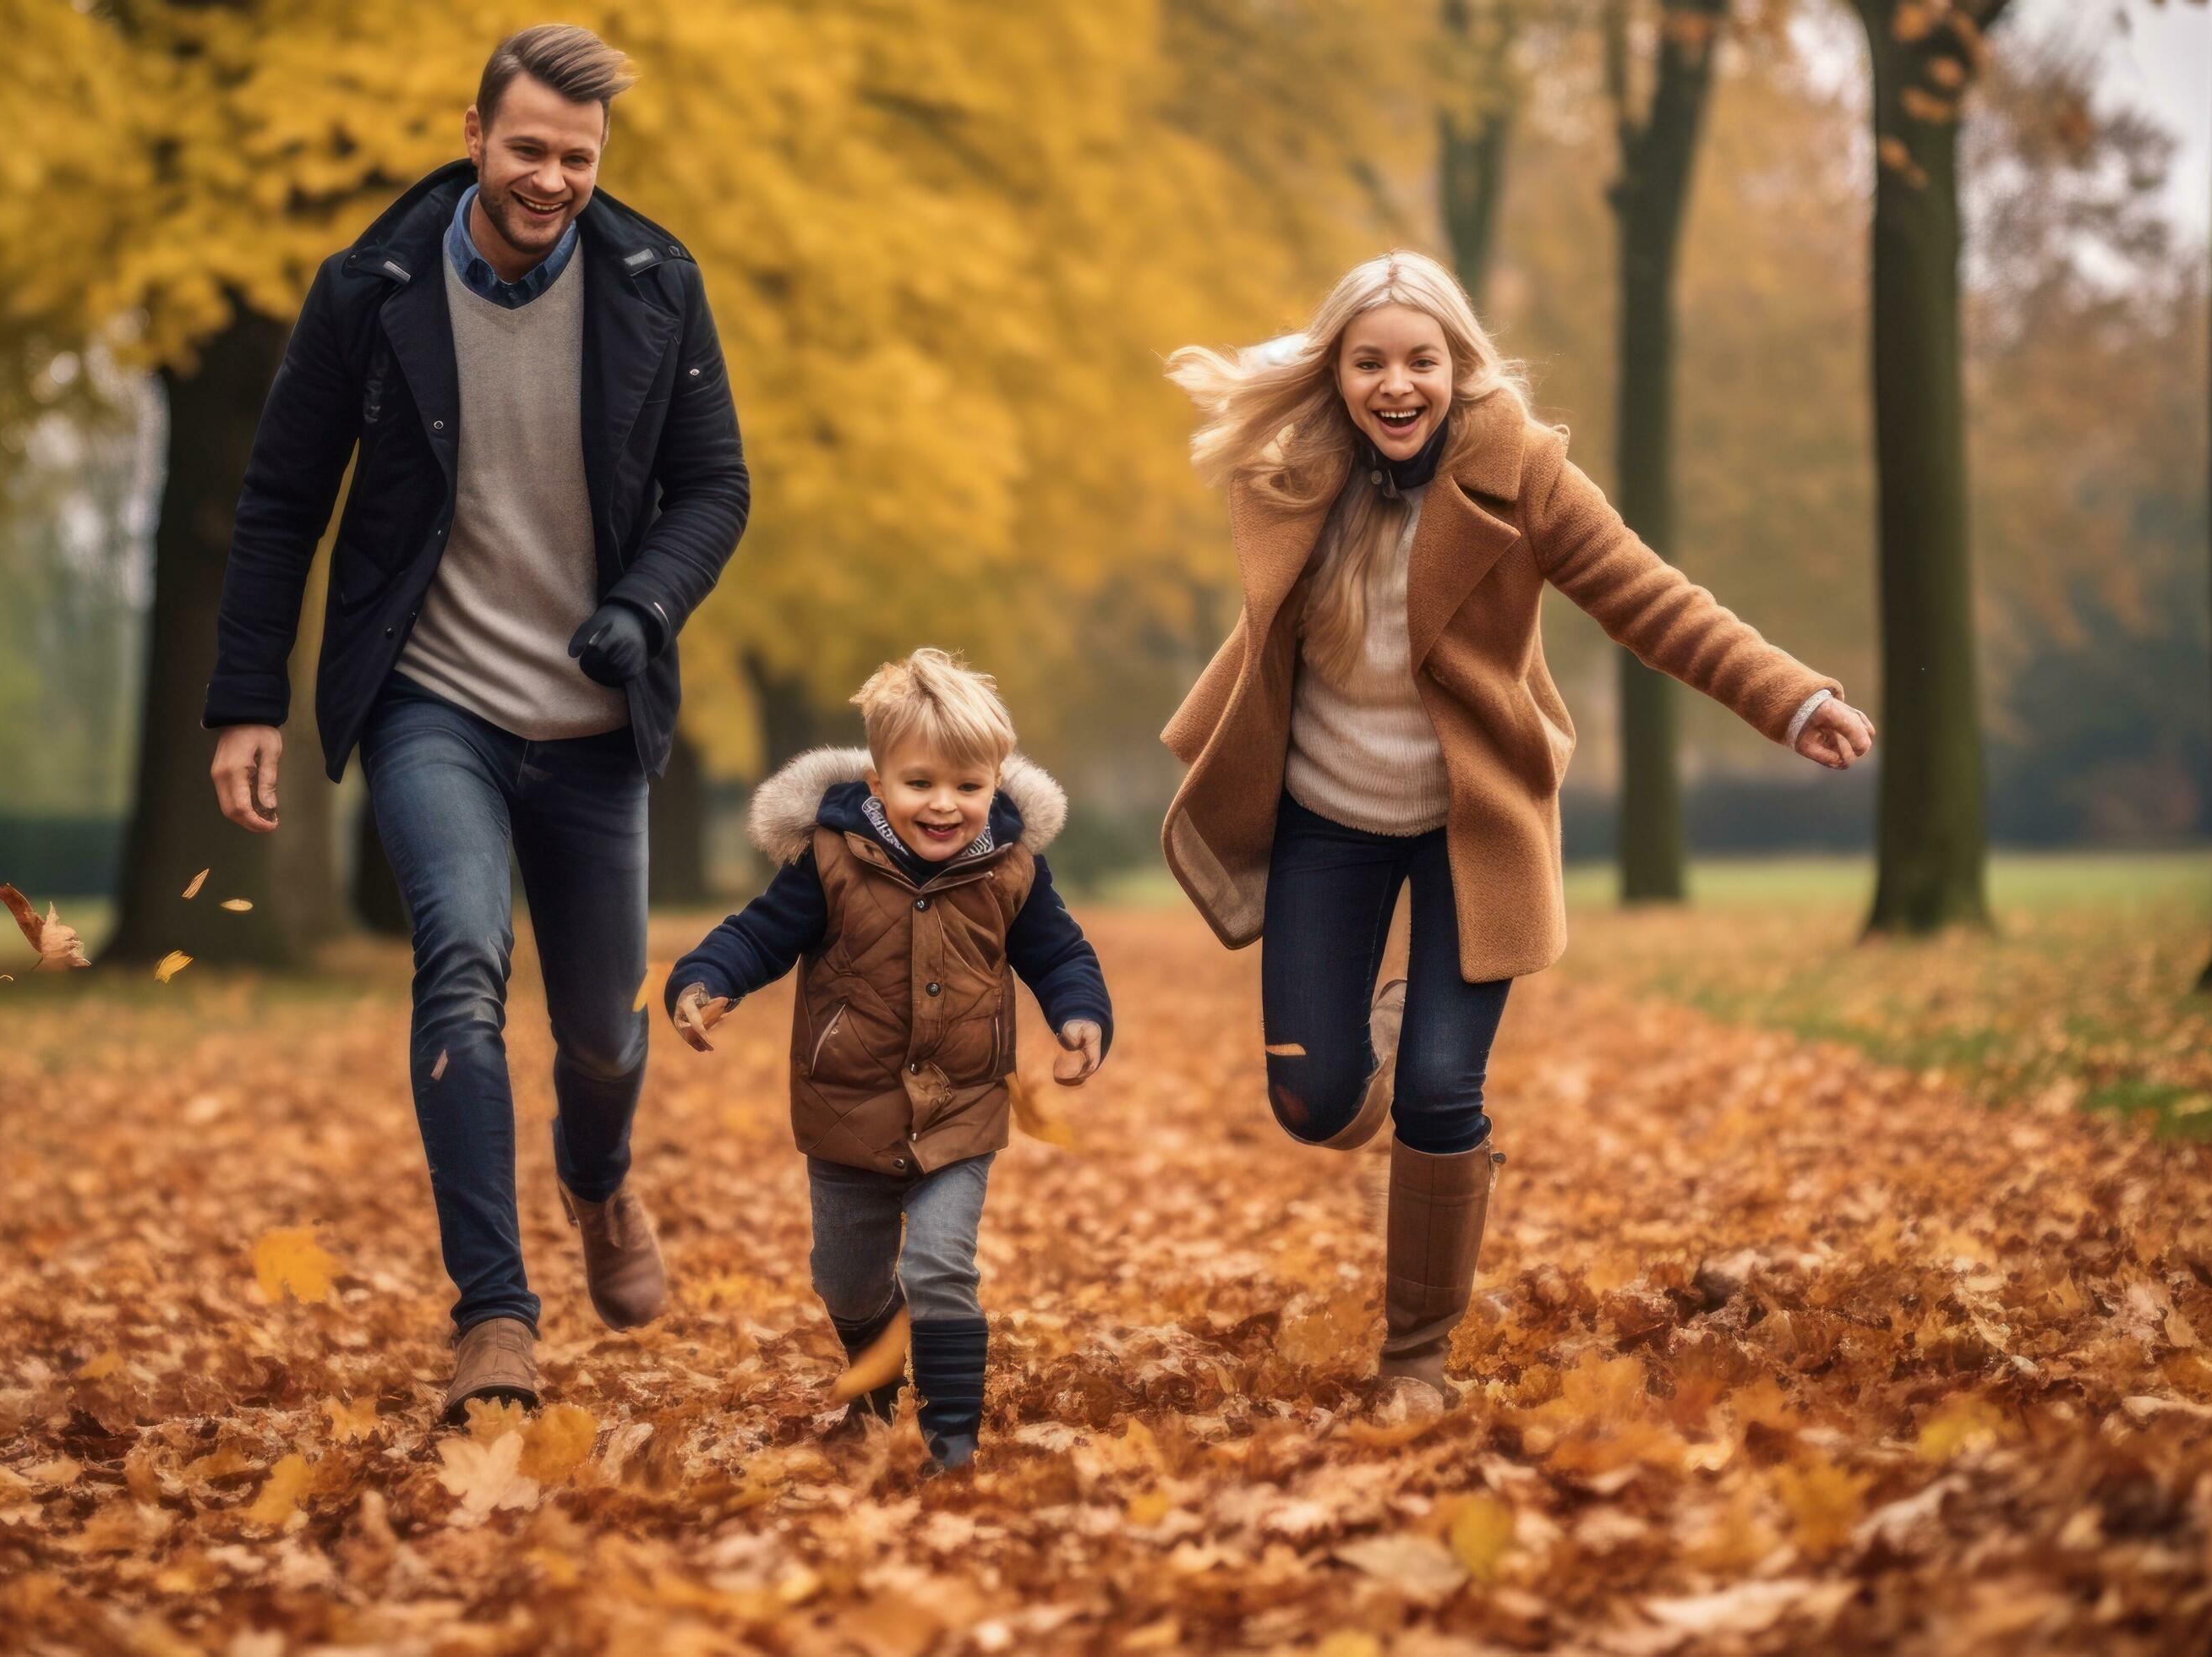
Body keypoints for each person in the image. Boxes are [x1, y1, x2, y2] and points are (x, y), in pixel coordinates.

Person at [1157, 251, 1875, 1419]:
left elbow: (1654, 598)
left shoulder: (1525, 477)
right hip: (1325, 821)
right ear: (1338, 373)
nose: (1398, 385)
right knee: (1314, 1100)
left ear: (1460, 367)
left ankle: (1415, 1361)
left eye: (1422, 362)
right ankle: (1374, 1038)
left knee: (1443, 1091)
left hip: (1463, 824)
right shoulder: (1294, 472)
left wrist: (1788, 697)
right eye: (1371, 361)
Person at [199, 25, 751, 1419]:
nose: (551, 179)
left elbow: (714, 489)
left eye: (577, 157)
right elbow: (279, 505)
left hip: (590, 720)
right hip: (428, 696)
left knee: (604, 1041)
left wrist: (644, 605)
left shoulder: (653, 283)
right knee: (457, 964)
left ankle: (601, 1182)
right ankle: (494, 1319)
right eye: (527, 150)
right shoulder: (367, 291)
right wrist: (246, 704)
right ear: (472, 137)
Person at [663, 650, 1114, 1469]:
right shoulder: (829, 861)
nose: (944, 804)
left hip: (960, 1109)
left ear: (995, 784)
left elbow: (1059, 953)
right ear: (876, 783)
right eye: (918, 784)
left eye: (968, 786)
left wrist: (1081, 1015)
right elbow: (757, 934)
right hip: (847, 1113)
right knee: (843, 1280)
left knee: (940, 1264)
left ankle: (951, 1444)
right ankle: (873, 1391)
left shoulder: (1010, 868)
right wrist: (704, 978)